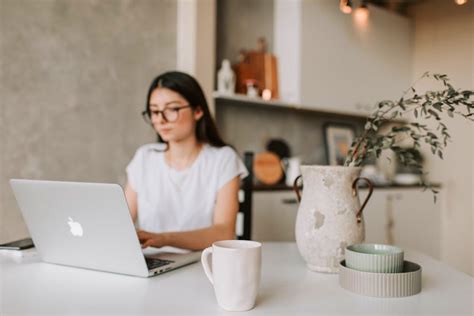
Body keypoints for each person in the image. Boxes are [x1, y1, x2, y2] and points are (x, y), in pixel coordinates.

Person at [125, 71, 248, 251]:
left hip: (203, 265)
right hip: (152, 265)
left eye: (172, 109)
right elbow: (122, 222)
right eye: (154, 111)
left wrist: (164, 238)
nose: (160, 119)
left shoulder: (223, 159)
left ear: (197, 111)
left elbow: (224, 233)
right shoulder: (144, 158)